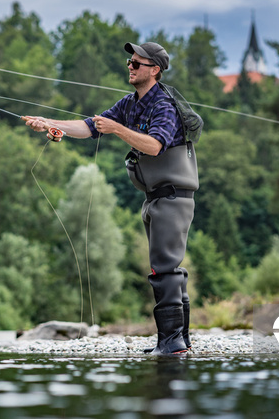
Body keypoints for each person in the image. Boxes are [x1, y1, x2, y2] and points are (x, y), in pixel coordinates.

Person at [24, 42, 198, 355]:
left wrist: (117, 129)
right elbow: (90, 127)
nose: (130, 67)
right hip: (154, 197)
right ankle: (180, 340)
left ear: (155, 70)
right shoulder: (130, 104)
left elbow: (155, 146)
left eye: (137, 64)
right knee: (167, 267)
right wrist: (49, 123)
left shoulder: (164, 105)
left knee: (164, 268)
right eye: (130, 62)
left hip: (174, 196)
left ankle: (171, 343)